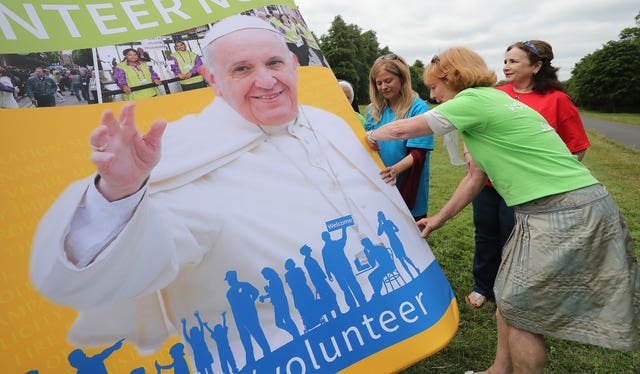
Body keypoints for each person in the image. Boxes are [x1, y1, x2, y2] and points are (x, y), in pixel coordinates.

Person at [29, 15, 445, 373]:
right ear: (212, 79)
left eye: (274, 62)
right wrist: (118, 195)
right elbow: (151, 252)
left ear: (294, 66)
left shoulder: (329, 123)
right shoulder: (180, 154)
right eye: (242, 69)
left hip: (387, 323)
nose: (266, 80)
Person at [366, 46, 638, 373]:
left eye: (435, 85)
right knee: (507, 300)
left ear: (454, 78)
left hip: (561, 211)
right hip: (561, 207)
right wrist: (438, 218)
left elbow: (401, 129)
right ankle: (499, 370)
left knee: (523, 314)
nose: (432, 93)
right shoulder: (493, 101)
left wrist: (364, 136)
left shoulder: (472, 101)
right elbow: (476, 176)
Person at [465, 40, 593, 309]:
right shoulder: (496, 93)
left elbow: (577, 148)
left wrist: (549, 182)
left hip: (527, 191)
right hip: (488, 184)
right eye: (505, 60)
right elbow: (472, 125)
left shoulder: (558, 100)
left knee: (517, 239)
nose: (506, 66)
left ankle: (513, 290)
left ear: (536, 66)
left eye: (514, 61)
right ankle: (483, 286)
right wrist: (469, 153)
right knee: (485, 234)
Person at [365, 53, 434, 220]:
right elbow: (365, 142)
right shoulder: (372, 110)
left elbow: (419, 153)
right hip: (379, 184)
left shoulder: (418, 108)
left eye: (388, 81)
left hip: (407, 186)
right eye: (379, 83)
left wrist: (394, 170)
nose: (383, 87)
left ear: (402, 78)